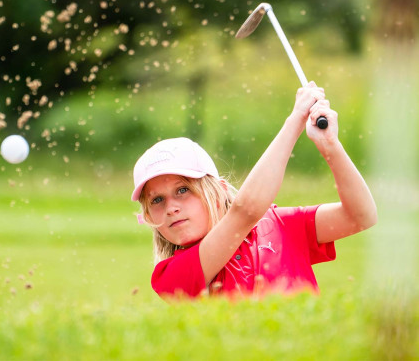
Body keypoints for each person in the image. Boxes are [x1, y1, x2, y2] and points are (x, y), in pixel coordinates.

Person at [131, 82, 377, 299]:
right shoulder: (170, 275)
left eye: (183, 190)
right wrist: (295, 121)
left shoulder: (280, 224)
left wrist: (330, 146)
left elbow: (361, 216)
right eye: (157, 200)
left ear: (219, 192)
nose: (171, 208)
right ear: (150, 217)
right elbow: (246, 211)